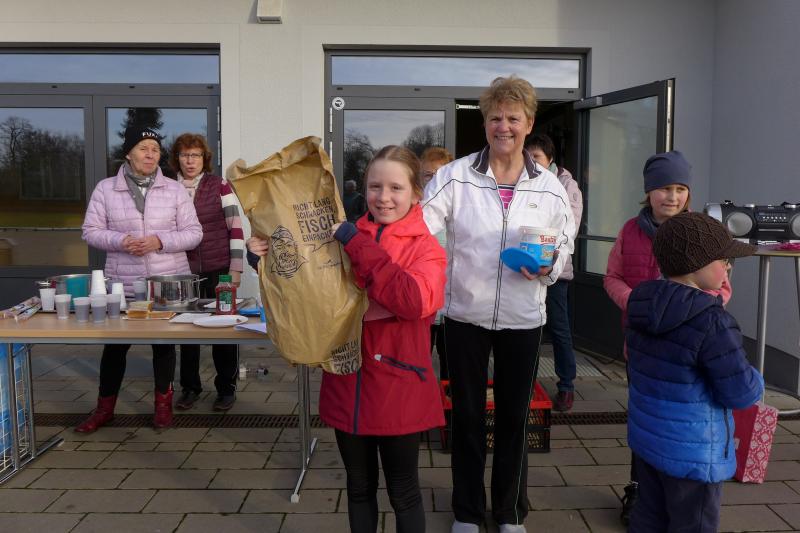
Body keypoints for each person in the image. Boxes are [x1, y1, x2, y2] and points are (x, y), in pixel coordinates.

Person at [423, 76, 575, 533]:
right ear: (485, 123)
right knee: (467, 417)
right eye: (495, 117)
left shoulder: (550, 187)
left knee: (514, 418)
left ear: (528, 123)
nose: (503, 126)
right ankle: (467, 512)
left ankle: (510, 512)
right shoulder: (455, 176)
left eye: (513, 118)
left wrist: (548, 266)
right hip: (464, 315)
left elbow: (564, 243)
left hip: (523, 318)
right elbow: (420, 230)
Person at [603, 150, 732, 525]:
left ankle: (683, 495)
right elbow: (613, 277)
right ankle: (640, 489)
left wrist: (687, 309)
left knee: (683, 425)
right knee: (644, 421)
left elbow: (722, 288)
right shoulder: (630, 231)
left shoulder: (701, 232)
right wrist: (636, 302)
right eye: (663, 188)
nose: (672, 197)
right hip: (643, 350)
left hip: (690, 352)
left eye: (680, 188)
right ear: (648, 191)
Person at [626, 211, 763, 532]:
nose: (729, 266)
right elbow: (741, 393)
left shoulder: (640, 304)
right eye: (724, 259)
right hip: (695, 455)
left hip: (649, 443)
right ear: (695, 265)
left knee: (648, 518)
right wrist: (757, 379)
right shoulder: (712, 321)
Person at [78, 126, 202, 432]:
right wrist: (121, 241)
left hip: (167, 282)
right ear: (128, 153)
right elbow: (90, 231)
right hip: (123, 282)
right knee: (115, 347)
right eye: (144, 148)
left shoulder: (174, 189)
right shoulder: (106, 189)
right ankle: (104, 409)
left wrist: (160, 241)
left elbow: (194, 233)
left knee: (163, 346)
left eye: (155, 150)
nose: (150, 155)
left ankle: (163, 408)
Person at [169, 133, 245, 412]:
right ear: (177, 159)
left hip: (221, 269)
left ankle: (226, 389)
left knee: (224, 330)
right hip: (184, 273)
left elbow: (236, 228)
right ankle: (190, 388)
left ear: (205, 159)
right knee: (187, 333)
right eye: (185, 155)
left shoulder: (220, 186)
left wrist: (235, 269)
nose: (190, 161)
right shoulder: (168, 187)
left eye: (196, 155)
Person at [525, 134, 582, 412]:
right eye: (528, 157)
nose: (531, 163)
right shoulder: (525, 181)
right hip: (526, 269)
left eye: (536, 157)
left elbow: (568, 228)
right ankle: (527, 384)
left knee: (559, 329)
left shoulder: (567, 185)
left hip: (555, 273)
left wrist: (548, 261)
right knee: (529, 329)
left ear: (550, 160)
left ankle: (566, 385)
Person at [420, 146, 455, 380]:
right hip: (423, 302)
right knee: (419, 358)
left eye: (440, 175)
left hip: (451, 301)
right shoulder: (412, 209)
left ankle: (448, 399)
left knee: (449, 361)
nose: (434, 180)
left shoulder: (459, 209)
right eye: (428, 175)